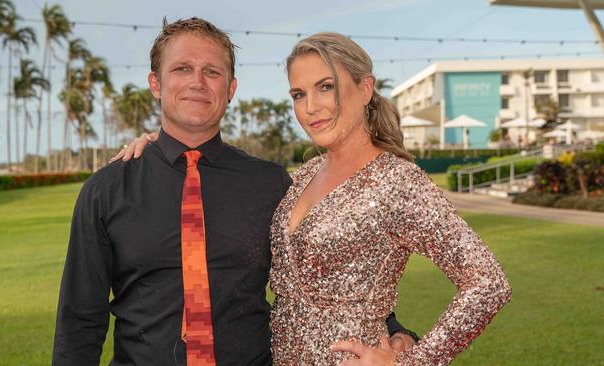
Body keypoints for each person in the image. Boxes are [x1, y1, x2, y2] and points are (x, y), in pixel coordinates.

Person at [121, 31, 512, 365]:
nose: (311, 107)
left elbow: (488, 282)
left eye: (326, 87)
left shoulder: (398, 182)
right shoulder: (301, 176)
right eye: (298, 93)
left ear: (365, 88)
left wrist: (416, 359)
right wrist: (163, 146)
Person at [53, 18, 416, 366]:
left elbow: (330, 276)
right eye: (181, 69)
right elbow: (80, 321)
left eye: (212, 72)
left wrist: (394, 330)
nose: (197, 82)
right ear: (156, 84)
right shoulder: (106, 190)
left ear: (230, 89)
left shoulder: (273, 185)